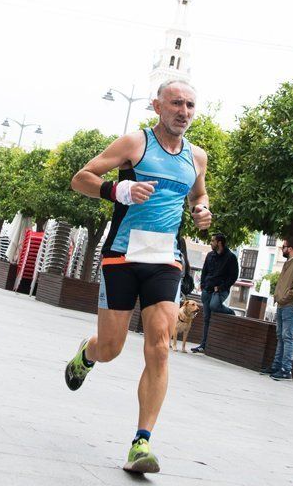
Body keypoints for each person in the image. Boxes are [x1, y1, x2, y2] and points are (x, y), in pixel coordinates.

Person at [63, 80, 211, 474]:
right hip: (122, 256)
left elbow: (198, 194)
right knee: (111, 348)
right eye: (176, 102)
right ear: (157, 106)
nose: (184, 111)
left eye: (190, 105)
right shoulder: (134, 144)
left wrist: (202, 209)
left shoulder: (197, 157)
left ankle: (140, 444)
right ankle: (87, 353)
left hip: (165, 258)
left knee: (161, 345)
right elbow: (81, 178)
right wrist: (118, 191)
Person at [259, 237, 293, 381]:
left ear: (290, 248)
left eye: (284, 247)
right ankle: (276, 367)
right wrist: (278, 298)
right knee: (281, 337)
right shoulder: (288, 263)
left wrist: (286, 297)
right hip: (283, 305)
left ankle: (286, 370)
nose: (282, 249)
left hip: (291, 306)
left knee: (287, 337)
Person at [191, 232, 239, 354]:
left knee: (214, 306)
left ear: (219, 242)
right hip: (207, 290)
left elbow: (233, 277)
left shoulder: (231, 257)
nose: (211, 243)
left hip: (220, 290)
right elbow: (204, 271)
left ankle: (230, 312)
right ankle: (203, 345)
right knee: (207, 318)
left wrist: (221, 287)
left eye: (213, 241)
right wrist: (202, 285)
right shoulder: (210, 255)